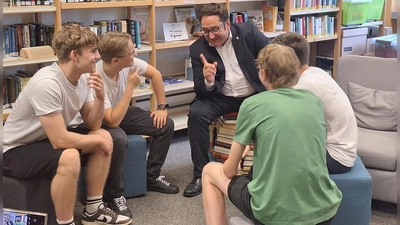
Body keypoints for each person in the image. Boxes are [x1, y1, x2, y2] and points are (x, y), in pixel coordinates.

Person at [3, 24, 132, 225]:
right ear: (74, 55)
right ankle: (65, 222)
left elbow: (93, 122)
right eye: (93, 51)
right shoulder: (47, 83)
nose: (98, 56)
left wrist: (100, 97)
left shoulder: (83, 77)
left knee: (105, 135)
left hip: (44, 139)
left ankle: (93, 210)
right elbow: (60, 140)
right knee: (71, 154)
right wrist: (96, 140)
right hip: (15, 150)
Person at [202, 44, 343, 225]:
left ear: (263, 74)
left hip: (274, 217)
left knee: (209, 171)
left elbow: (230, 171)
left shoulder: (252, 105)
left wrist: (235, 161)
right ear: (296, 73)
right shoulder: (314, 101)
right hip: (325, 212)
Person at [70, 31, 179, 216]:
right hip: (94, 120)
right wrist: (129, 88)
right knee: (118, 138)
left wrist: (162, 107)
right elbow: (111, 121)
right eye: (131, 52)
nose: (135, 54)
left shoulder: (129, 63)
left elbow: (156, 74)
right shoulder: (95, 77)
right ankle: (115, 195)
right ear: (115, 60)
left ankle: (151, 176)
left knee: (165, 124)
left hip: (119, 111)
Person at [184, 3, 270, 197]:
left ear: (227, 24)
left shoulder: (248, 31)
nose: (211, 36)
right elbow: (200, 89)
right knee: (196, 114)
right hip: (222, 96)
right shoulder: (198, 48)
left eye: (215, 29)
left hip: (254, 94)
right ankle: (200, 173)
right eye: (205, 31)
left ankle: (264, 168)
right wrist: (208, 80)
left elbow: (271, 57)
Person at [271, 32, 358, 174]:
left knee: (275, 150)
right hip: (341, 149)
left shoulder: (305, 86)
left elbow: (285, 125)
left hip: (335, 157)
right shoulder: (316, 72)